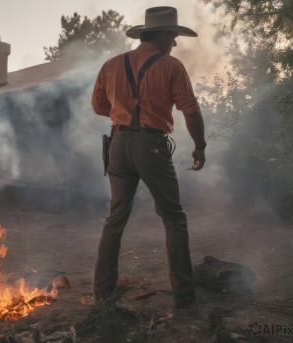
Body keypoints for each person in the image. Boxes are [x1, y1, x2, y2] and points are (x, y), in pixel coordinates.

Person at [91, 6, 206, 308]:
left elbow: (99, 106)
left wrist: (125, 115)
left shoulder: (112, 65)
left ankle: (102, 293)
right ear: (165, 34)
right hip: (151, 146)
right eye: (174, 36)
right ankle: (184, 296)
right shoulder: (171, 66)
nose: (176, 43)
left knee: (115, 218)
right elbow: (191, 110)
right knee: (174, 219)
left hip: (117, 144)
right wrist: (200, 145)